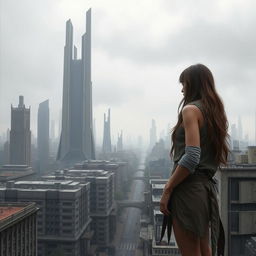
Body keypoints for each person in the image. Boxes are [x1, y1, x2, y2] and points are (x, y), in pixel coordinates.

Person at [159, 64, 229, 256]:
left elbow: (191, 157)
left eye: (184, 84)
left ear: (193, 84)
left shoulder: (190, 110)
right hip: (203, 191)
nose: (182, 89)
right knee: (204, 250)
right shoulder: (214, 113)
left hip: (188, 189)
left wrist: (168, 189)